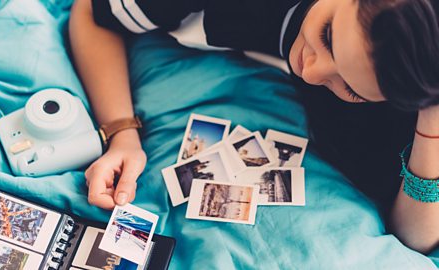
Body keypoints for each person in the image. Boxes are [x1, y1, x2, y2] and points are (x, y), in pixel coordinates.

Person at [69, 0, 439, 253]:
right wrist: (122, 134)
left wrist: (431, 119)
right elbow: (93, 11)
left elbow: (415, 236)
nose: (311, 72)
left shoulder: (404, 84)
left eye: (352, 88)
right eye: (327, 36)